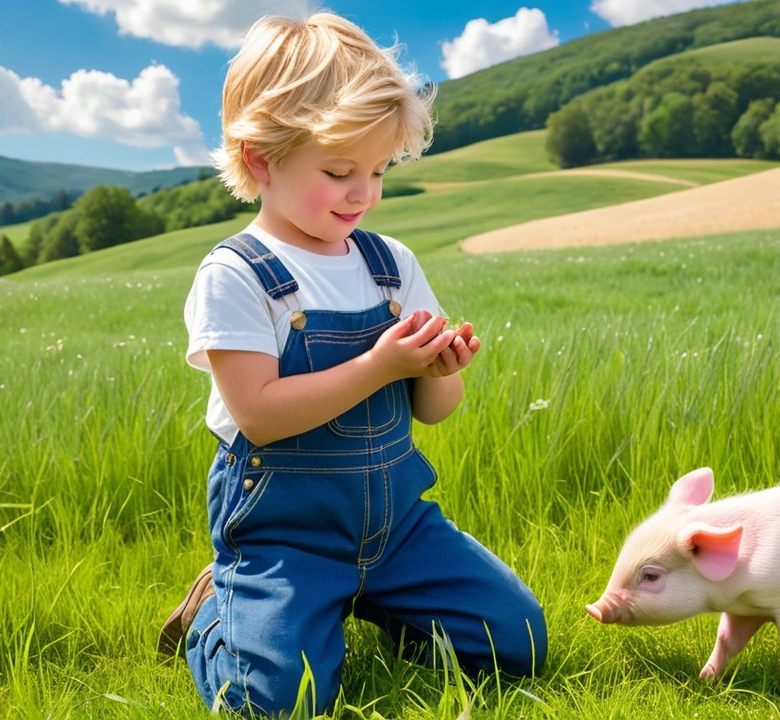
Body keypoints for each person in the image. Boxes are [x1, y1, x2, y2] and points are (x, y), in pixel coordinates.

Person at [158, 12, 547, 716]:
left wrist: (437, 370)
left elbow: (434, 409)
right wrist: (378, 365)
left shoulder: (389, 264)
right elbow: (260, 417)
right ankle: (220, 613)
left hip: (396, 525)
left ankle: (363, 604)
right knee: (275, 702)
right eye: (339, 172)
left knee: (516, 639)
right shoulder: (238, 275)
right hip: (286, 532)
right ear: (259, 159)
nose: (363, 193)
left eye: (377, 170)